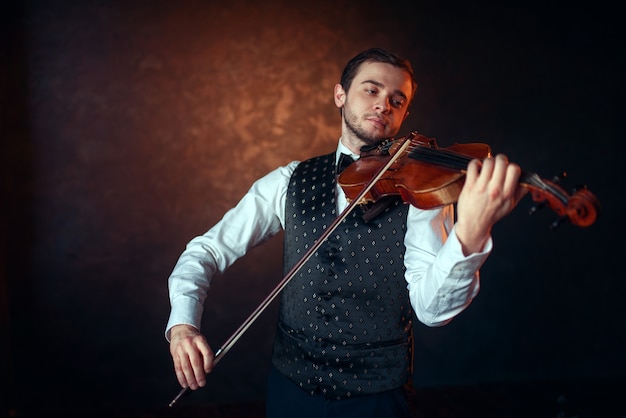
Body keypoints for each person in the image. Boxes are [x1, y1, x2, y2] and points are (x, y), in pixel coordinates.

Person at [165, 47, 527, 418]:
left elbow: (434, 311)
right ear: (340, 95)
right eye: (371, 90)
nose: (383, 104)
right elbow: (205, 251)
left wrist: (471, 232)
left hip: (377, 400)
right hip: (290, 390)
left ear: (404, 113)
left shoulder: (422, 195)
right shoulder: (289, 180)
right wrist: (182, 324)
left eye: (396, 100)